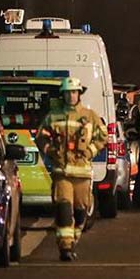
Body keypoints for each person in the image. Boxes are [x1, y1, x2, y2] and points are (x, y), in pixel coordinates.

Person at [36, 77, 107, 262]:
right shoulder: (53, 116)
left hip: (82, 172)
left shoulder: (90, 116)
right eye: (67, 93)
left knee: (81, 210)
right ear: (63, 95)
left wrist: (90, 152)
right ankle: (65, 247)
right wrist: (51, 151)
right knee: (63, 207)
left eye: (74, 92)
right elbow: (41, 137)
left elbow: (103, 137)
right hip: (62, 173)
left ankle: (73, 239)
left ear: (79, 94)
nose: (71, 96)